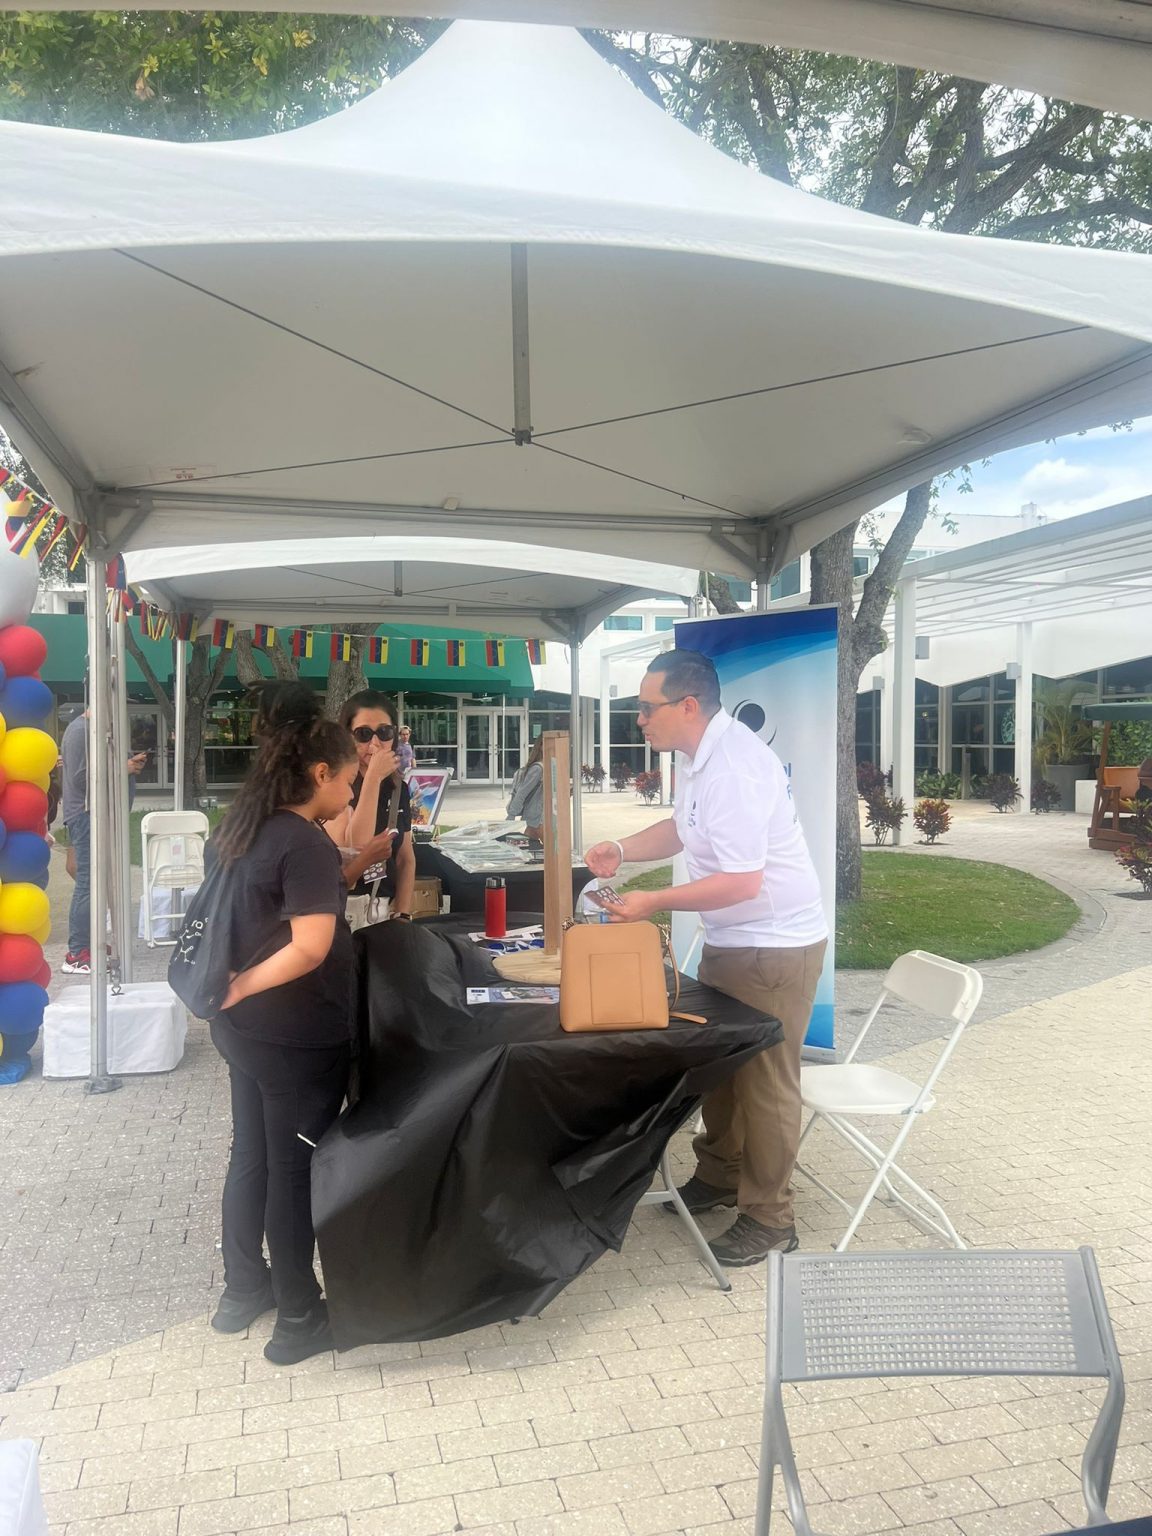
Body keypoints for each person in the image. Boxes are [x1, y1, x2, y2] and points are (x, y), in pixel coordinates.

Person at [584, 649, 828, 1267]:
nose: (640, 719)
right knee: (722, 1068)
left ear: (688, 705)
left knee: (766, 1082)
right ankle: (721, 1176)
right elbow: (683, 827)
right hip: (735, 939)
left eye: (647, 707)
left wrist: (654, 902)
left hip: (775, 944)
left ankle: (770, 1219)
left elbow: (743, 881)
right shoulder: (699, 758)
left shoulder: (736, 768)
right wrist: (622, 849)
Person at [208, 683, 359, 1365]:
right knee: (292, 1171)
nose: (351, 795)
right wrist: (242, 984)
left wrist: (235, 994)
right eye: (349, 781)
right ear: (321, 773)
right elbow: (310, 947)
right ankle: (299, 1317)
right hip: (293, 1038)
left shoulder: (244, 826)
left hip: (244, 1035)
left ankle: (243, 1290)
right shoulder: (303, 844)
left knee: (254, 1156)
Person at [59, 703, 148, 975]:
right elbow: (83, 778)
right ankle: (77, 953)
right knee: (88, 882)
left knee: (95, 882)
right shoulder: (81, 731)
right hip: (87, 815)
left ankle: (88, 944)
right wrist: (124, 768)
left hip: (96, 815)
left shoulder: (94, 730)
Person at [325, 690, 417, 927]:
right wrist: (373, 778)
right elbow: (356, 848)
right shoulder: (335, 786)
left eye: (384, 733)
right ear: (347, 736)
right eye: (363, 734)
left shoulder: (398, 788)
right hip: (343, 909)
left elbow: (405, 857)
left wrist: (402, 913)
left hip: (382, 911)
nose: (374, 744)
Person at [507, 737, 545, 840]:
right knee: (553, 848)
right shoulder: (538, 769)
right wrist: (512, 814)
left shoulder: (550, 765)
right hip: (538, 816)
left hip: (541, 815)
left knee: (528, 844)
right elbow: (522, 792)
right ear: (541, 747)